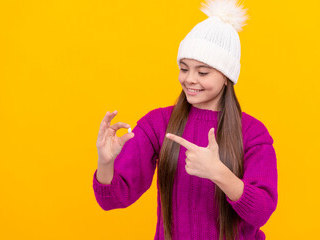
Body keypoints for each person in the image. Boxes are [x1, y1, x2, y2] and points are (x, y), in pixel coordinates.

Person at [92, 0, 278, 239]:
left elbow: (261, 212)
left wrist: (218, 173)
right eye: (184, 68)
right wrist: (105, 163)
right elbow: (114, 199)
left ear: (227, 77)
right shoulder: (157, 124)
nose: (189, 79)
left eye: (202, 72)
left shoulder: (253, 132)